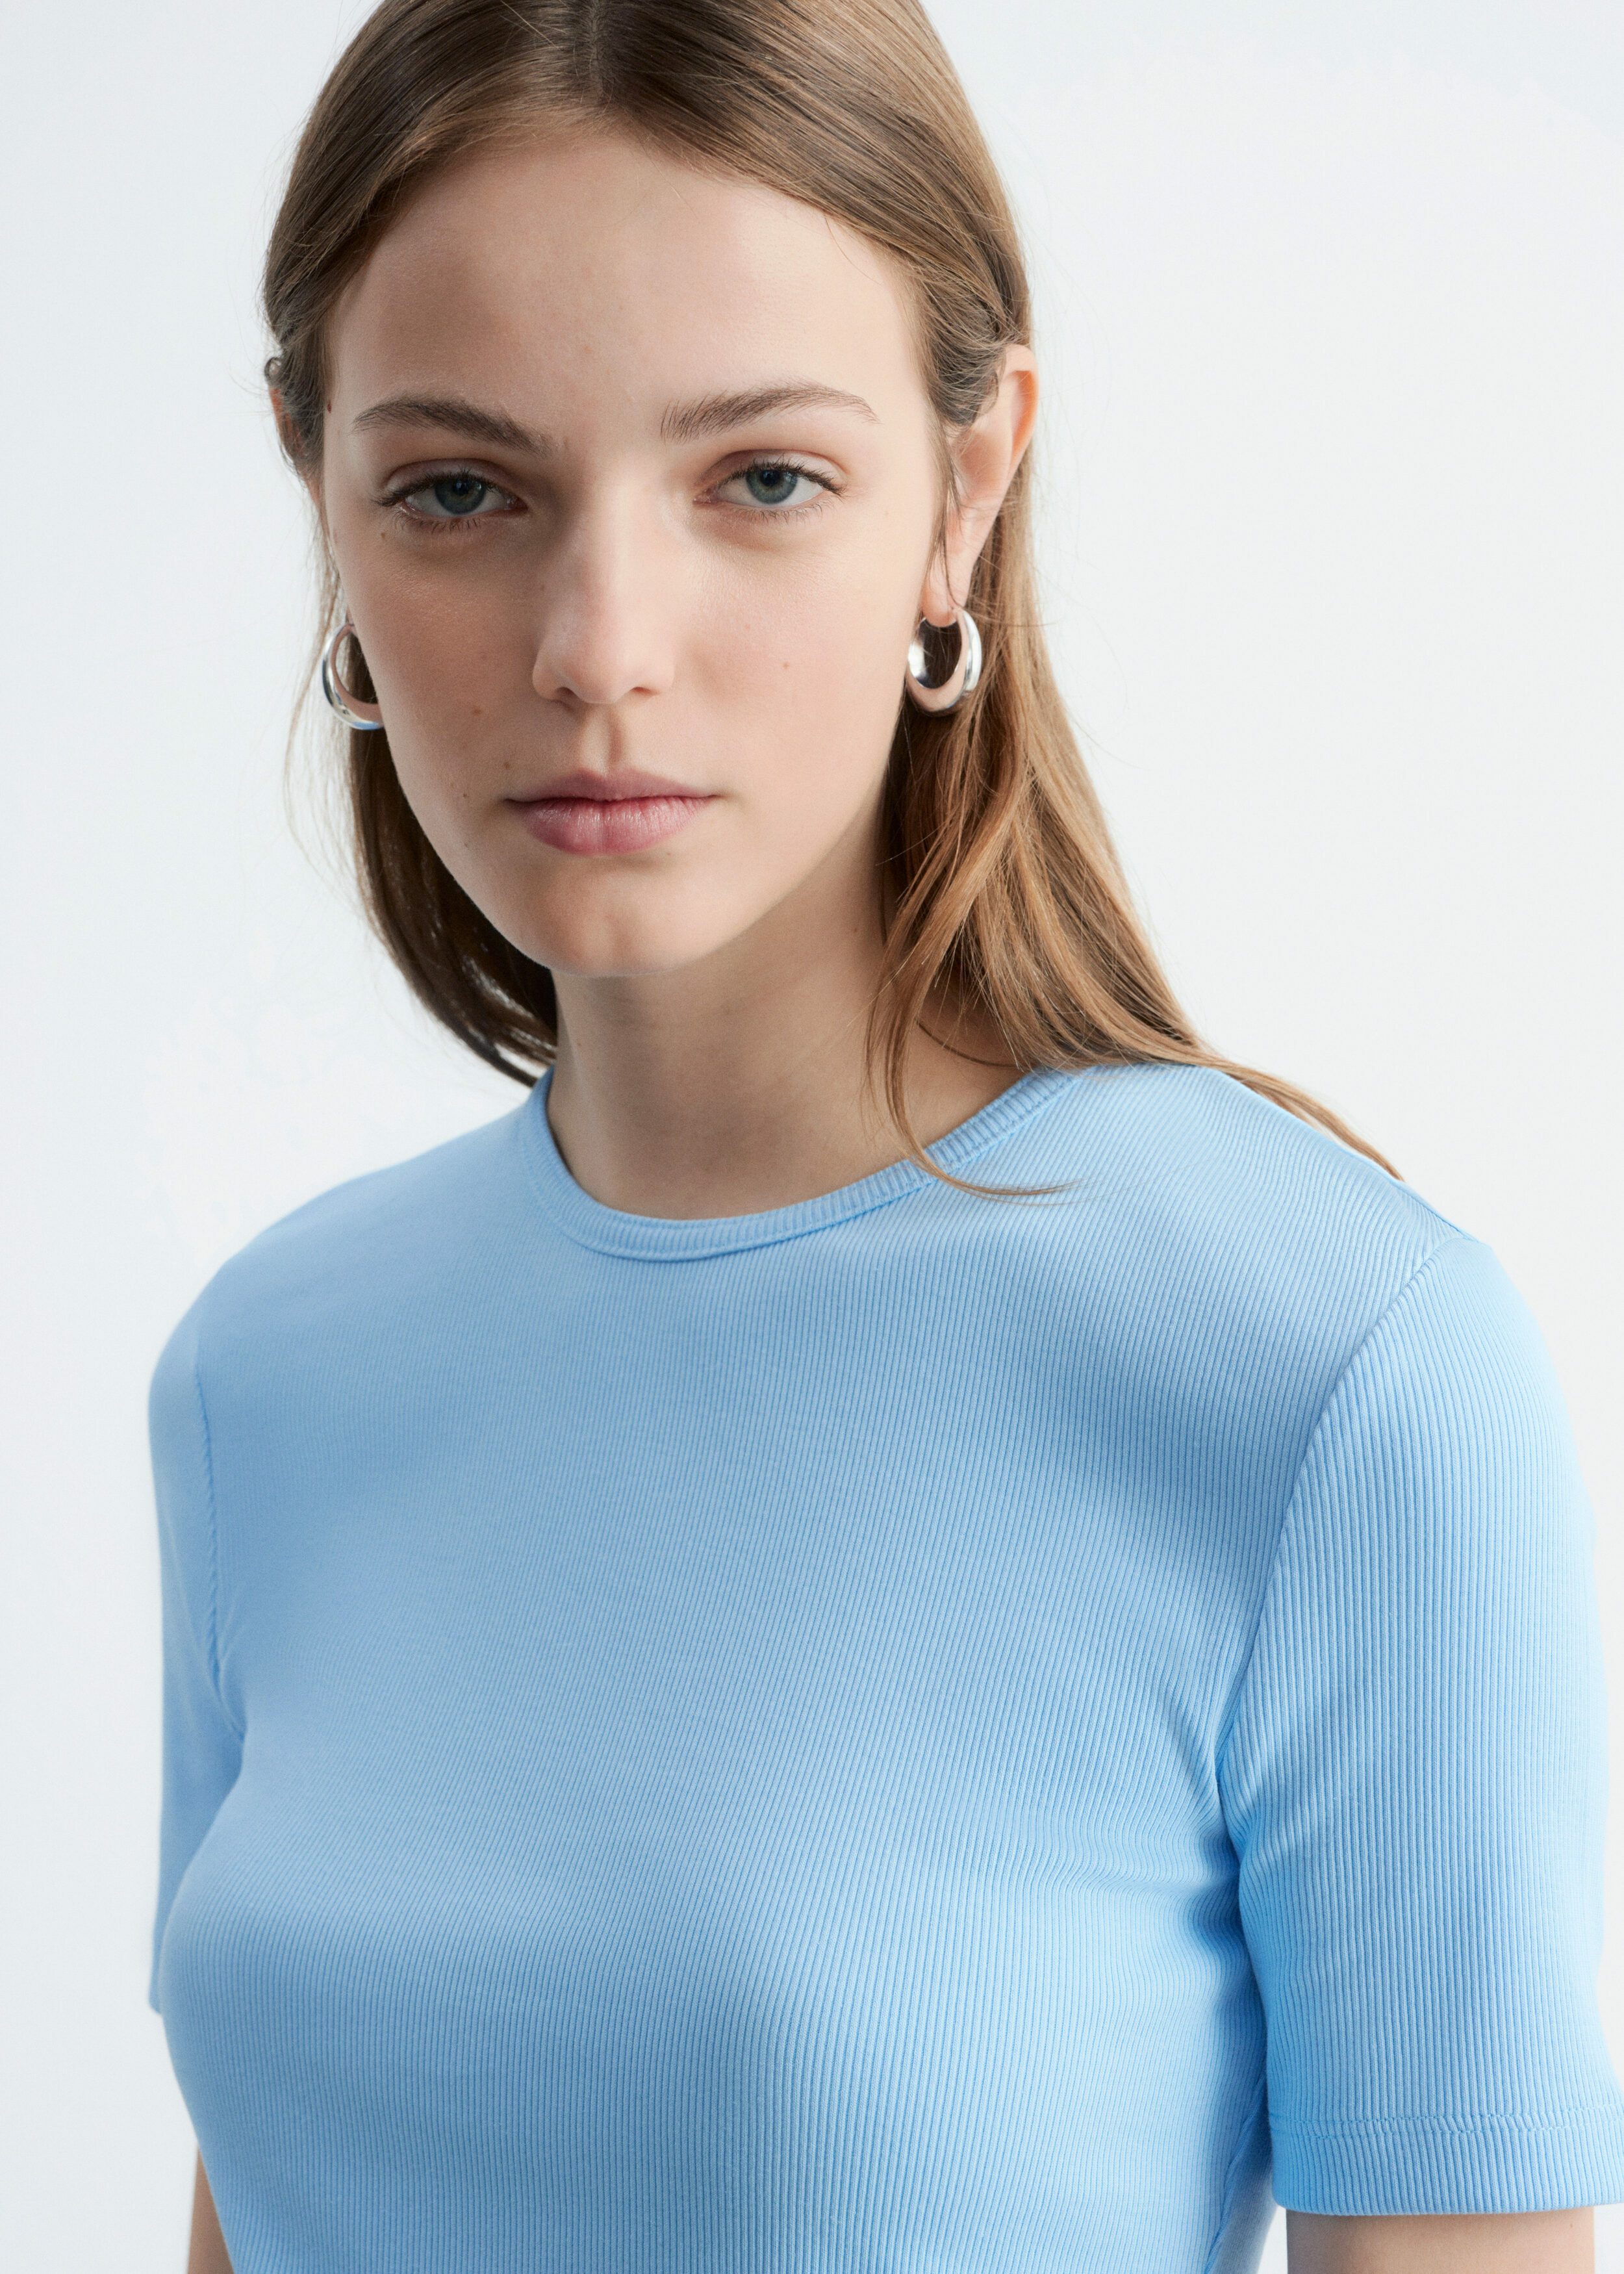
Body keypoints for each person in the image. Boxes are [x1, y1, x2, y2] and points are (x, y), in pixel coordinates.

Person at [147, 3, 1624, 2269]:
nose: (597, 646)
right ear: (314, 484)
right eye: (457, 489)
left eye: (760, 479)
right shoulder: (266, 1369)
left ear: (966, 487)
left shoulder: (1330, 1370)